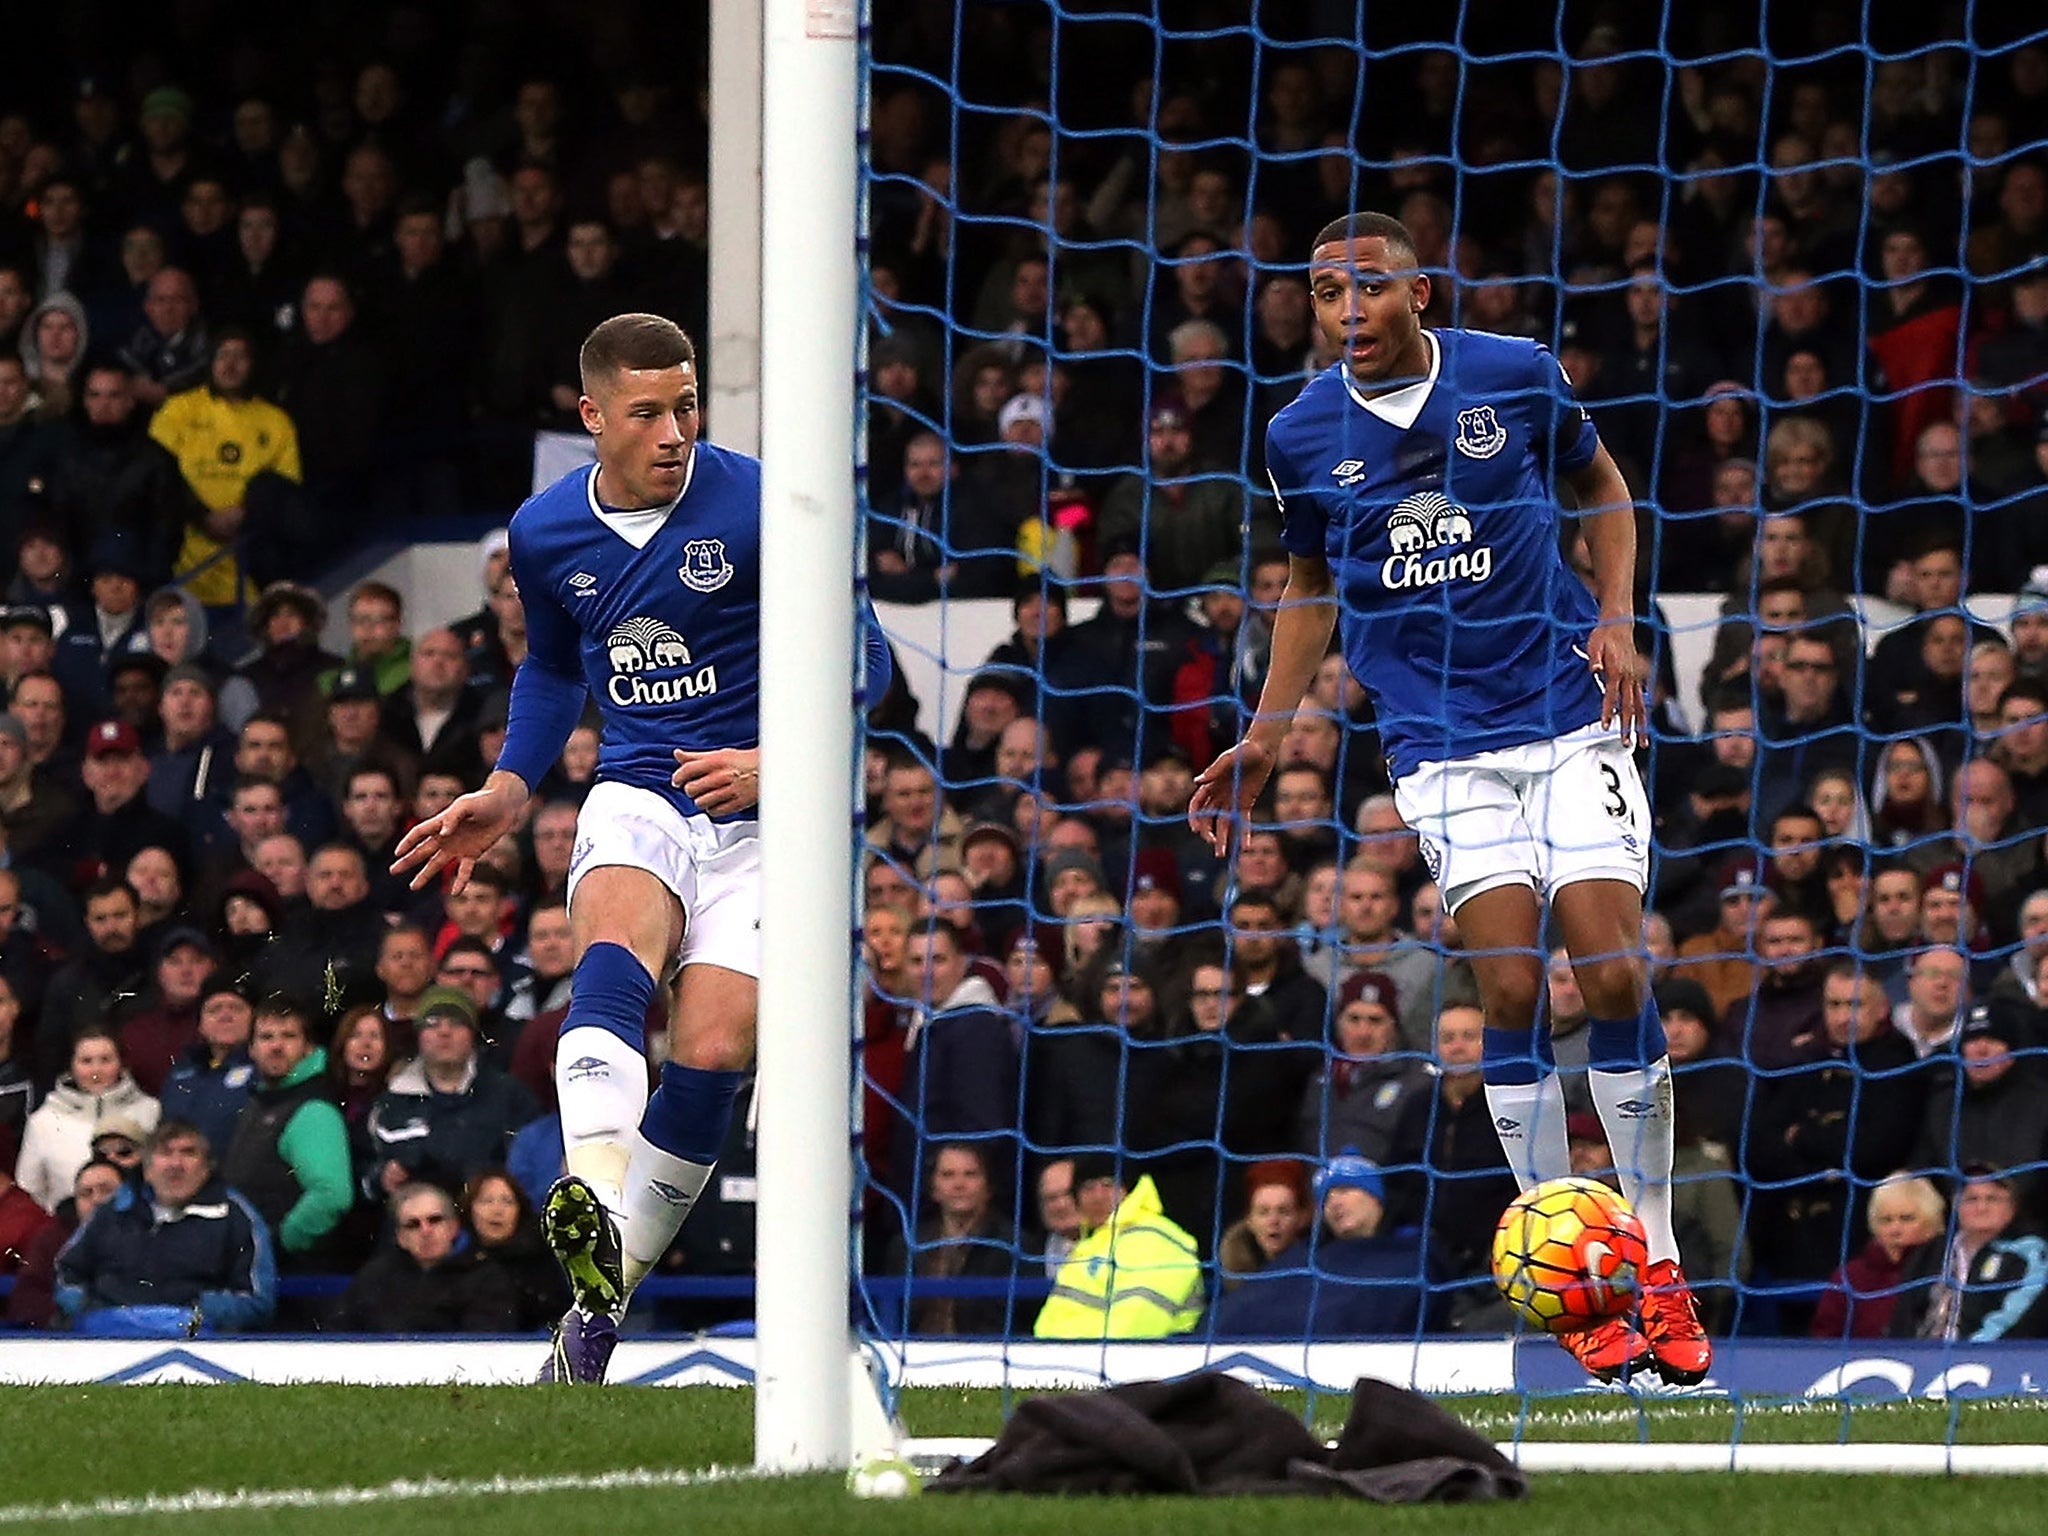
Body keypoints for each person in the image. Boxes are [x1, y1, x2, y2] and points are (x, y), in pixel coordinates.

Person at [1189, 212, 1707, 1386]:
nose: (1345, 311)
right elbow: (1308, 587)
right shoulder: (1298, 431)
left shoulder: (1512, 376)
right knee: (1511, 983)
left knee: (1613, 970)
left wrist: (1619, 619)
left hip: (1568, 708)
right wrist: (1267, 738)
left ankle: (1661, 1258)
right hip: (1437, 744)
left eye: (1366, 288)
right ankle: (1569, 1264)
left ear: (1416, 291)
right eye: (1324, 294)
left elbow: (1606, 487)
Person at [391, 314, 892, 1384]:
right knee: (610, 955)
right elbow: (553, 672)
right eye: (647, 412)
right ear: (591, 419)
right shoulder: (542, 532)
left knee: (711, 1050)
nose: (674, 432)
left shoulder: (762, 501)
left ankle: (597, 1301)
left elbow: (872, 662)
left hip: (775, 813)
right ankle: (596, 1197)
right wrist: (510, 786)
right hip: (640, 788)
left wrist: (777, 760)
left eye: (687, 406)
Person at [54, 1120, 275, 1336]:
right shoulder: (111, 1212)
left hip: (199, 1344)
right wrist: (90, 1307)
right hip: (107, 1337)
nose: (176, 1164)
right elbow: (67, 1272)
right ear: (147, 1169)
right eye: (165, 1153)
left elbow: (257, 1300)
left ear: (206, 1167)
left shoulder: (236, 1217)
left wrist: (194, 1307)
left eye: (188, 1153)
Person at [1031, 1154, 1204, 1339]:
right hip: (1070, 1359)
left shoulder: (1154, 1238)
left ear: (1128, 1190)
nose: (1097, 1196)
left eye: (1108, 1184)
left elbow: (1136, 1326)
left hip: (1141, 1361)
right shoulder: (1092, 1244)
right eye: (1087, 1187)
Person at [329, 1181, 522, 1333]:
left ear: (453, 1227)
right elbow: (339, 1332)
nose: (426, 1231)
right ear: (400, 1237)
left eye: (435, 1220)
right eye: (413, 1224)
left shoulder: (487, 1278)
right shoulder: (374, 1277)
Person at [16, 1028, 160, 1213]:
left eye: (105, 1060)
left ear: (121, 1064)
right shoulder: (43, 1121)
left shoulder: (150, 1111)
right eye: (86, 1061)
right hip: (66, 1230)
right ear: (71, 1066)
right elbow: (29, 1190)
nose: (95, 1071)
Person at [1811, 1174, 1945, 1341]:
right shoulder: (1850, 1277)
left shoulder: (1949, 1268)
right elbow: (1825, 1338)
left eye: (1907, 1219)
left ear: (1932, 1222)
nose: (1895, 1229)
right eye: (1886, 1220)